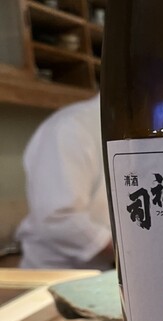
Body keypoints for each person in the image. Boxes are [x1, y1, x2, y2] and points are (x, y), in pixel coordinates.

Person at [16, 94, 114, 270]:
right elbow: (58, 219)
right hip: (56, 274)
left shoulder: (131, 127)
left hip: (108, 271)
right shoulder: (71, 127)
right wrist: (131, 252)